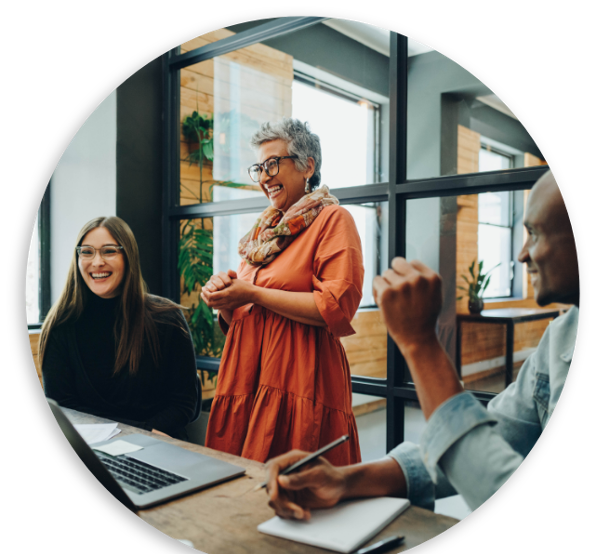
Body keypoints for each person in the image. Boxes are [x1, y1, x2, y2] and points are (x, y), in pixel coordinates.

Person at [263, 168, 579, 518]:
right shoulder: (560, 336)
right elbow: (487, 444)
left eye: (533, 233)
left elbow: (492, 477)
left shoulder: (334, 219)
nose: (522, 255)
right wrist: (345, 479)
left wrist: (419, 344)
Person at [201, 118, 364, 465]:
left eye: (273, 163)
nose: (264, 177)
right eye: (259, 168)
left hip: (300, 379)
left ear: (308, 166)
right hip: (246, 376)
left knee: (299, 490)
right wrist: (225, 299)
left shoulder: (333, 220)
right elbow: (241, 317)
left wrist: (252, 294)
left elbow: (334, 307)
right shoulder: (263, 233)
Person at [39, 216, 199, 441]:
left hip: (159, 445)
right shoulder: (60, 325)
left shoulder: (167, 317)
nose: (97, 262)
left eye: (109, 251)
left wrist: (139, 436)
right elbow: (65, 409)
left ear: (128, 257)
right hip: (92, 450)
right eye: (87, 252)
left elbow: (184, 404)